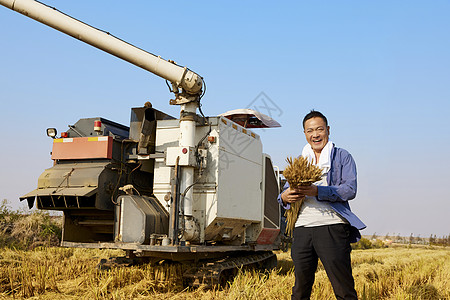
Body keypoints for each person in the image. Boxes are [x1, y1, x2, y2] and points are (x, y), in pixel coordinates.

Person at [278, 110, 366, 300]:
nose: (315, 134)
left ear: (328, 130)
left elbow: (350, 189)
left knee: (343, 288)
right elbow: (282, 196)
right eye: (310, 131)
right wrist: (285, 196)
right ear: (304, 134)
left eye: (319, 129)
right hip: (301, 228)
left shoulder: (342, 156)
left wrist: (318, 191)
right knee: (300, 289)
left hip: (332, 226)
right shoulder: (300, 161)